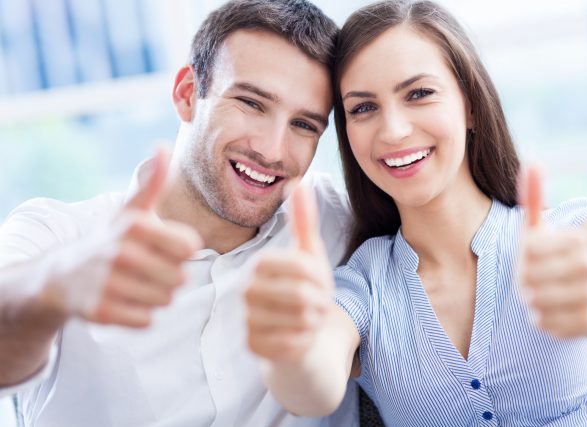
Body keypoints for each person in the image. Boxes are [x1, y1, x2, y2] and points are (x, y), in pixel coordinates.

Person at [245, 1, 587, 426]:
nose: (393, 131)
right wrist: (285, 348)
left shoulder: (585, 229)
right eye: (363, 108)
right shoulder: (362, 286)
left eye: (419, 94)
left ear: (470, 104)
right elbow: (312, 387)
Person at [0, 1, 358, 426]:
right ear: (187, 94)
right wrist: (55, 288)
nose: (272, 150)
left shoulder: (334, 220)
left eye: (304, 125)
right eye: (251, 103)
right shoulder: (62, 236)